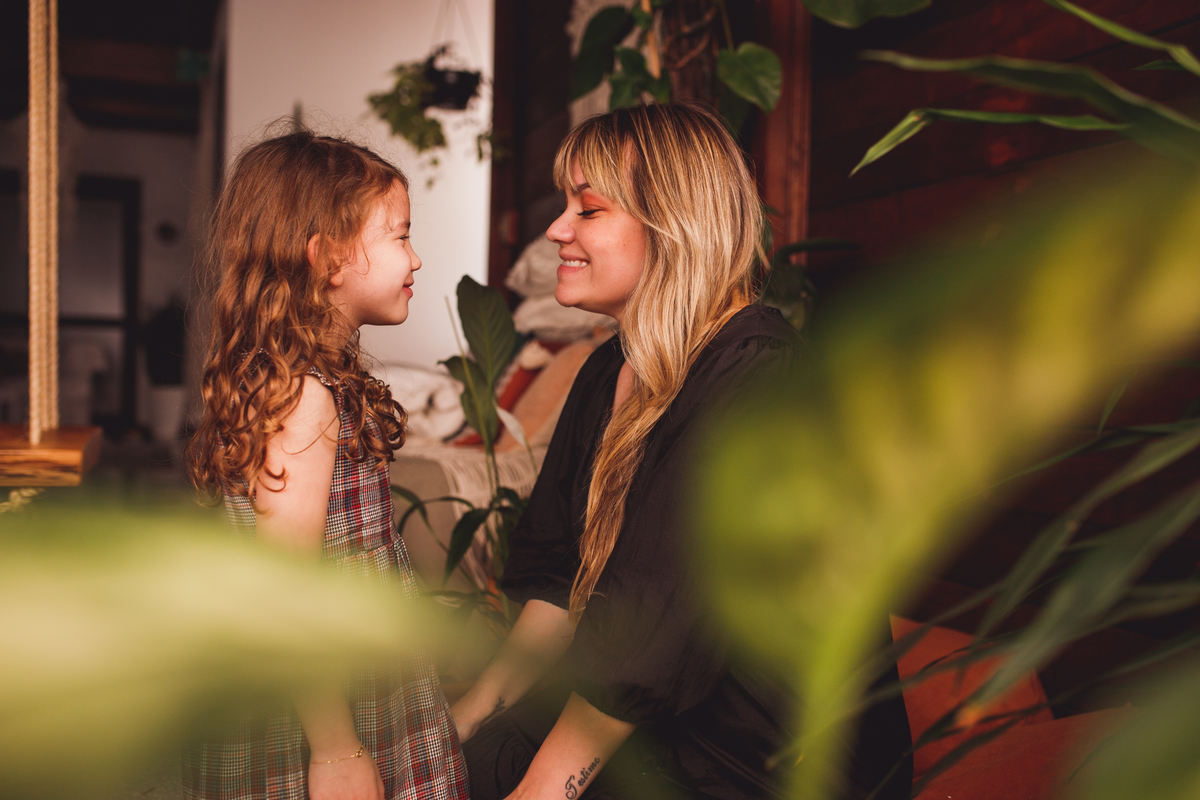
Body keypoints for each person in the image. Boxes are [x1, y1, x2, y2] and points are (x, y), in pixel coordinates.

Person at [450, 103, 913, 800]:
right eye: (563, 206)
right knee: (461, 766)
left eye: (589, 209)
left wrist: (538, 792)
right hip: (650, 713)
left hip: (761, 757)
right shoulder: (608, 371)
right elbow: (556, 574)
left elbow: (650, 630)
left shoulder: (757, 372)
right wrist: (476, 713)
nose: (556, 230)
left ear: (672, 227)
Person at [183, 130, 469, 800]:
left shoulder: (314, 381)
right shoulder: (304, 398)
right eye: (400, 235)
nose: (417, 257)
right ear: (329, 258)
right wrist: (337, 750)